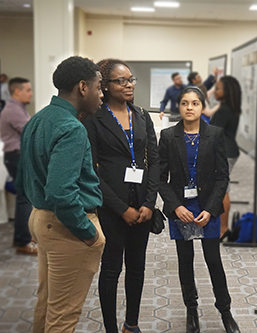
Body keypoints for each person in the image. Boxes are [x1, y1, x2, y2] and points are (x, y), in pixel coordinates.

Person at [16, 56, 105, 333]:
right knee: (63, 316)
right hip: (67, 228)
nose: (101, 94)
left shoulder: (38, 118)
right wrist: (89, 233)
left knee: (47, 305)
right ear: (82, 87)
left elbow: (23, 180)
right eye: (99, 87)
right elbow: (60, 192)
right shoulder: (72, 128)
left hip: (41, 218)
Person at [83, 59, 160, 333]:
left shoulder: (141, 115)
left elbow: (155, 162)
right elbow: (91, 172)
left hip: (142, 206)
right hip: (111, 207)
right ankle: (111, 328)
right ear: (105, 85)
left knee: (137, 267)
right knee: (112, 269)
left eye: (131, 80)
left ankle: (132, 324)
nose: (128, 85)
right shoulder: (94, 119)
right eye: (121, 80)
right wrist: (120, 209)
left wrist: (149, 203)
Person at [159, 86, 240, 333]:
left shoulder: (215, 134)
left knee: (213, 260)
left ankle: (225, 311)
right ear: (179, 107)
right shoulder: (168, 136)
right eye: (184, 103)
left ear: (202, 106)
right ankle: (191, 310)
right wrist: (176, 207)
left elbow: (222, 177)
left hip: (207, 207)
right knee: (186, 261)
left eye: (195, 103)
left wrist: (212, 208)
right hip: (181, 207)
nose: (189, 108)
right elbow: (161, 178)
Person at [0, 77, 36, 255]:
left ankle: (20, 237)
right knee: (25, 198)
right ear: (17, 92)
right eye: (28, 90)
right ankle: (23, 242)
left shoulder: (17, 108)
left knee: (23, 197)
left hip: (14, 156)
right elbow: (29, 132)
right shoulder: (14, 110)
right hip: (17, 156)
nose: (31, 94)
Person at [209, 76, 241, 241]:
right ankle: (222, 225)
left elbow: (213, 133)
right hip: (229, 151)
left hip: (224, 153)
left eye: (219, 88)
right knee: (222, 187)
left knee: (223, 189)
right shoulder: (230, 107)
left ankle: (224, 228)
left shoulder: (224, 110)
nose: (215, 91)